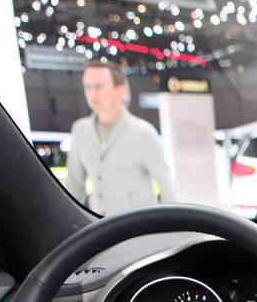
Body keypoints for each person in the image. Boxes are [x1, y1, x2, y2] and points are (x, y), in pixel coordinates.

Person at [66, 61, 177, 216]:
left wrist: (172, 226)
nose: (92, 94)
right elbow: (74, 184)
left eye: (99, 86)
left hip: (139, 226)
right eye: (87, 87)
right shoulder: (80, 131)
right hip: (100, 226)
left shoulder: (143, 133)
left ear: (120, 90)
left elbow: (167, 186)